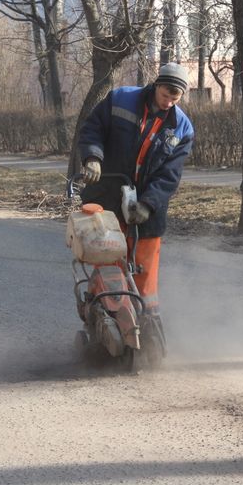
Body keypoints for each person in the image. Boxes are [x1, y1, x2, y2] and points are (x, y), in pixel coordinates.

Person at [77, 63, 194, 356]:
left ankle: (149, 326)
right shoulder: (120, 100)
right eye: (166, 93)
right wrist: (93, 158)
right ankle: (102, 317)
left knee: (144, 274)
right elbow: (92, 129)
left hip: (148, 209)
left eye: (175, 97)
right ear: (157, 85)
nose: (168, 101)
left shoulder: (182, 127)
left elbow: (170, 174)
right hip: (106, 194)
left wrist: (149, 203)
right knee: (108, 261)